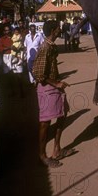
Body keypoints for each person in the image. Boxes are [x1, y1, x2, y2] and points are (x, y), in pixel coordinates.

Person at [32, 20, 74, 168]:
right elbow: (38, 73)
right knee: (45, 123)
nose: (60, 30)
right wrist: (56, 83)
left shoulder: (51, 46)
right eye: (58, 28)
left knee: (63, 114)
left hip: (54, 86)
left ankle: (57, 150)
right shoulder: (45, 48)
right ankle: (42, 156)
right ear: (53, 31)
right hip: (47, 88)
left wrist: (58, 82)